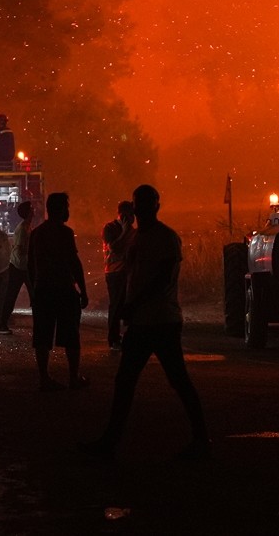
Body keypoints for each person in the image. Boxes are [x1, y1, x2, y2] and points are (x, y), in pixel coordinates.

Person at [81, 184, 209, 461]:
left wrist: (132, 304)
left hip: (160, 320)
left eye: (142, 205)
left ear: (153, 207)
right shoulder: (141, 237)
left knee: (169, 381)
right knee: (133, 381)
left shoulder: (164, 238)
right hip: (148, 321)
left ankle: (112, 441)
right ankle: (112, 441)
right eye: (137, 205)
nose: (139, 210)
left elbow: (161, 279)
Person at [27, 192, 89, 390]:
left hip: (42, 291)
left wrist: (34, 291)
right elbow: (74, 263)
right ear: (62, 209)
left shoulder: (37, 234)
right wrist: (83, 290)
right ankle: (73, 377)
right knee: (71, 335)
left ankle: (44, 378)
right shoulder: (65, 233)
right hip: (64, 290)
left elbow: (30, 266)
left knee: (42, 336)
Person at [101, 201, 136, 351]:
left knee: (130, 304)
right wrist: (124, 231)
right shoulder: (110, 228)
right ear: (122, 215)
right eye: (130, 215)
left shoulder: (132, 231)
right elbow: (114, 247)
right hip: (114, 273)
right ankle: (113, 339)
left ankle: (128, 336)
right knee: (116, 306)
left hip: (128, 272)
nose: (133, 218)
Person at [0, 201, 35, 334]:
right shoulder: (22, 229)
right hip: (19, 267)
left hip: (22, 266)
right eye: (31, 209)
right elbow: (19, 249)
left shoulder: (26, 227)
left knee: (31, 295)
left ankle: (3, 324)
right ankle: (2, 324)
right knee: (12, 295)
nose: (34, 211)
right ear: (28, 213)